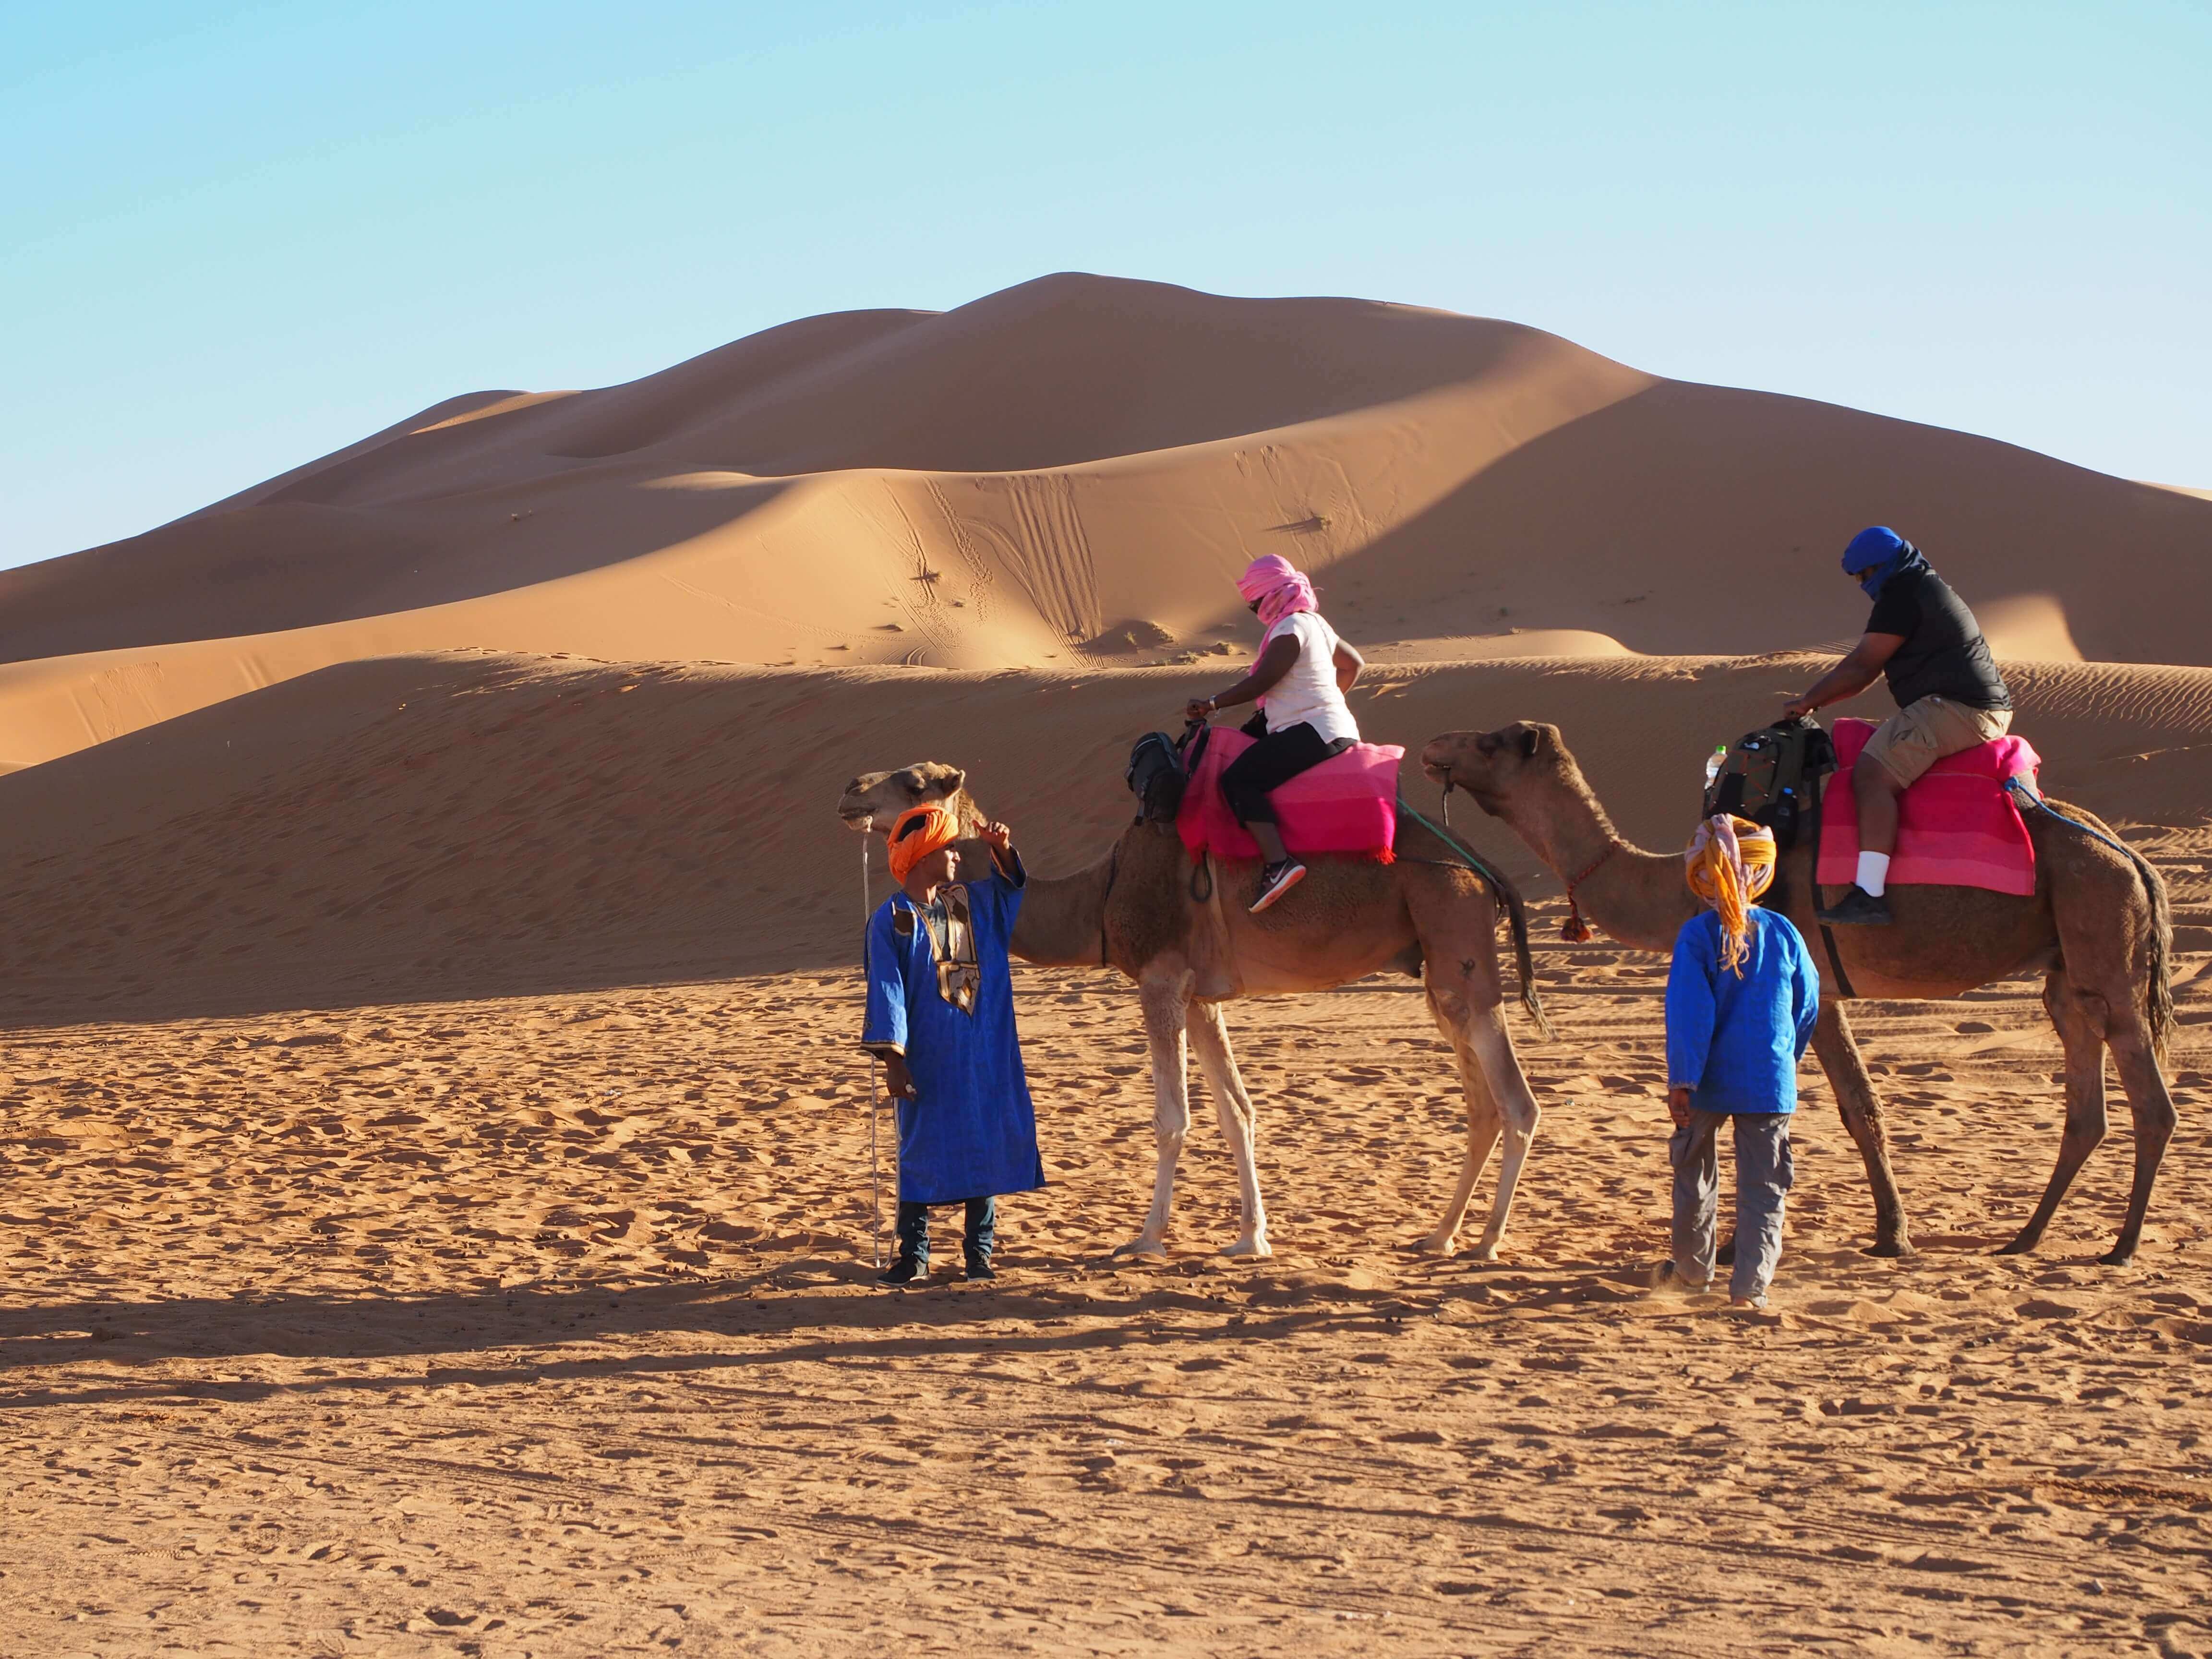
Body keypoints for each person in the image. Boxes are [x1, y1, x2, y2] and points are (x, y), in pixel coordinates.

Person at [1782, 526, 2013, 925]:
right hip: (1969, 706)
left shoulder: (1903, 592)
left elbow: (1862, 666)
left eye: (1864, 575)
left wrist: (1808, 703)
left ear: (1882, 566)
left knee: (1872, 776)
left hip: (1959, 708)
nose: (1862, 584)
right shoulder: (1922, 585)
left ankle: (1870, 893)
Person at [859, 803, 1045, 1286]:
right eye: (949, 849)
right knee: (920, 1151)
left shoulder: (969, 904)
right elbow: (887, 989)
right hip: (930, 1060)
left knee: (981, 1146)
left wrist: (1001, 848)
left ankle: (978, 1256)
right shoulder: (892, 920)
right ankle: (913, 1255)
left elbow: (1011, 891)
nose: (959, 858)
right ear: (923, 857)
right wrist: (894, 1062)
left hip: (982, 1054)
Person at [1660, 815, 1821, 1310]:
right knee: (1765, 1186)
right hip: (1769, 1081)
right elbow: (1807, 1004)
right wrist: (1784, 1060)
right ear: (1759, 873)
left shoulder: (1697, 935)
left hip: (1706, 1079)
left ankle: (1692, 1275)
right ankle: (1750, 1289)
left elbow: (1690, 1011)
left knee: (1694, 1175)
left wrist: (1682, 1080)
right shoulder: (1785, 932)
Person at [1182, 553, 1367, 914]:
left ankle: (1278, 864)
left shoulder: (1289, 629)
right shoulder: (1317, 624)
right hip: (1335, 728)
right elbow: (1353, 665)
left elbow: (1263, 681)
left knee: (1238, 780)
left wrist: (1211, 704)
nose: (1256, 612)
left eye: (1256, 604)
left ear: (1272, 596)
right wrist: (1326, 702)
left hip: (1311, 732)